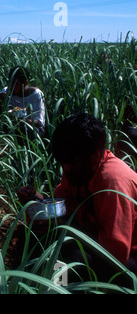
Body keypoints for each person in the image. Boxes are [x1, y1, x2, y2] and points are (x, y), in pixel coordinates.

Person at [17, 113, 137, 282]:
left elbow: (115, 252)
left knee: (72, 259)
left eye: (73, 162)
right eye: (63, 162)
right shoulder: (78, 168)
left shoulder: (113, 182)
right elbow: (62, 204)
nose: (66, 168)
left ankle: (60, 288)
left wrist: (67, 226)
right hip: (98, 240)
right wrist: (38, 201)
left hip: (127, 257)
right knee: (30, 235)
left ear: (95, 153)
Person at [0, 66, 46, 137]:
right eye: (10, 83)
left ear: (25, 83)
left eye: (15, 84)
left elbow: (40, 122)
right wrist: (1, 102)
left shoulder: (36, 95)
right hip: (10, 127)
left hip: (29, 129)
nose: (11, 87)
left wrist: (20, 121)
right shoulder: (6, 91)